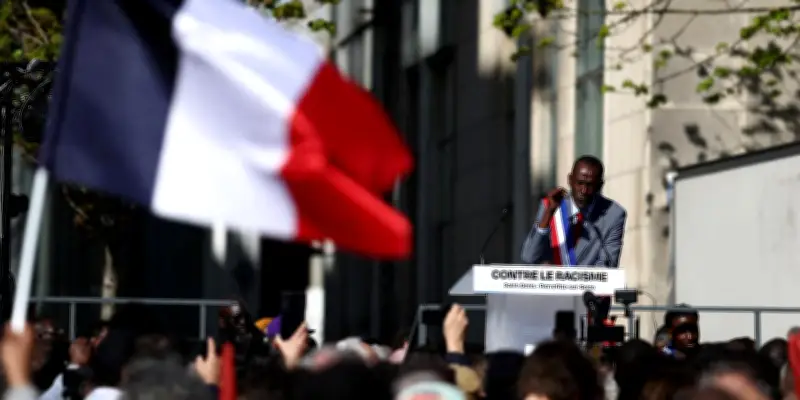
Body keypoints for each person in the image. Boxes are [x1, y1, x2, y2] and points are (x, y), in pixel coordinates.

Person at [521, 155, 627, 267]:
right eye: (580, 183)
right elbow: (529, 257)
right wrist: (548, 214)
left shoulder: (614, 214)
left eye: (590, 185)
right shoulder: (550, 205)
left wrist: (575, 281)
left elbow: (608, 267)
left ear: (600, 185)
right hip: (551, 283)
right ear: (570, 180)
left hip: (587, 283)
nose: (584, 190)